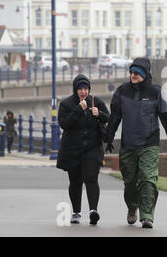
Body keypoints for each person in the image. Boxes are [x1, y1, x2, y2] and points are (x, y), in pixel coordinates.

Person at [105, 57, 167, 229]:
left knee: (148, 179)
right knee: (130, 182)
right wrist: (109, 137)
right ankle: (132, 207)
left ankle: (147, 216)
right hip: (128, 145)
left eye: (137, 73)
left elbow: (166, 118)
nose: (133, 75)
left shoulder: (156, 92)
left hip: (149, 143)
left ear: (145, 74)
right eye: (131, 72)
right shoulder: (122, 91)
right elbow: (115, 117)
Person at [56, 74, 110, 226]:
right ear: (75, 90)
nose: (83, 92)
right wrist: (79, 109)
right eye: (80, 89)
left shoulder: (96, 101)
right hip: (72, 149)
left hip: (92, 148)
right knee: (75, 181)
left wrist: (99, 113)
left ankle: (93, 211)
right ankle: (76, 212)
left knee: (91, 177)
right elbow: (64, 124)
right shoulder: (67, 104)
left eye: (86, 88)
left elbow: (109, 118)